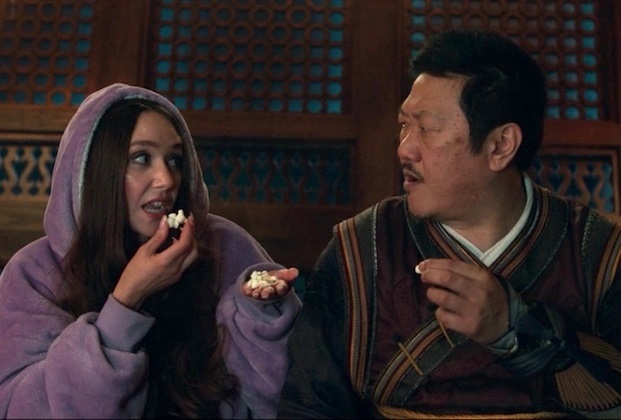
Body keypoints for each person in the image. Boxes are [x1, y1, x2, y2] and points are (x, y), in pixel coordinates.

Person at [278, 29, 621, 418]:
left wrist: (520, 329)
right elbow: (306, 407)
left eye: (426, 128)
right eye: (404, 125)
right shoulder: (361, 249)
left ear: (500, 145)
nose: (404, 149)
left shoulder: (600, 254)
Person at [0, 83, 302, 418]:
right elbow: (21, 408)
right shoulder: (36, 272)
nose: (167, 179)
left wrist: (259, 316)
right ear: (99, 171)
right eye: (142, 158)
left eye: (175, 160)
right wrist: (126, 300)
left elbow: (290, 398)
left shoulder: (224, 244)